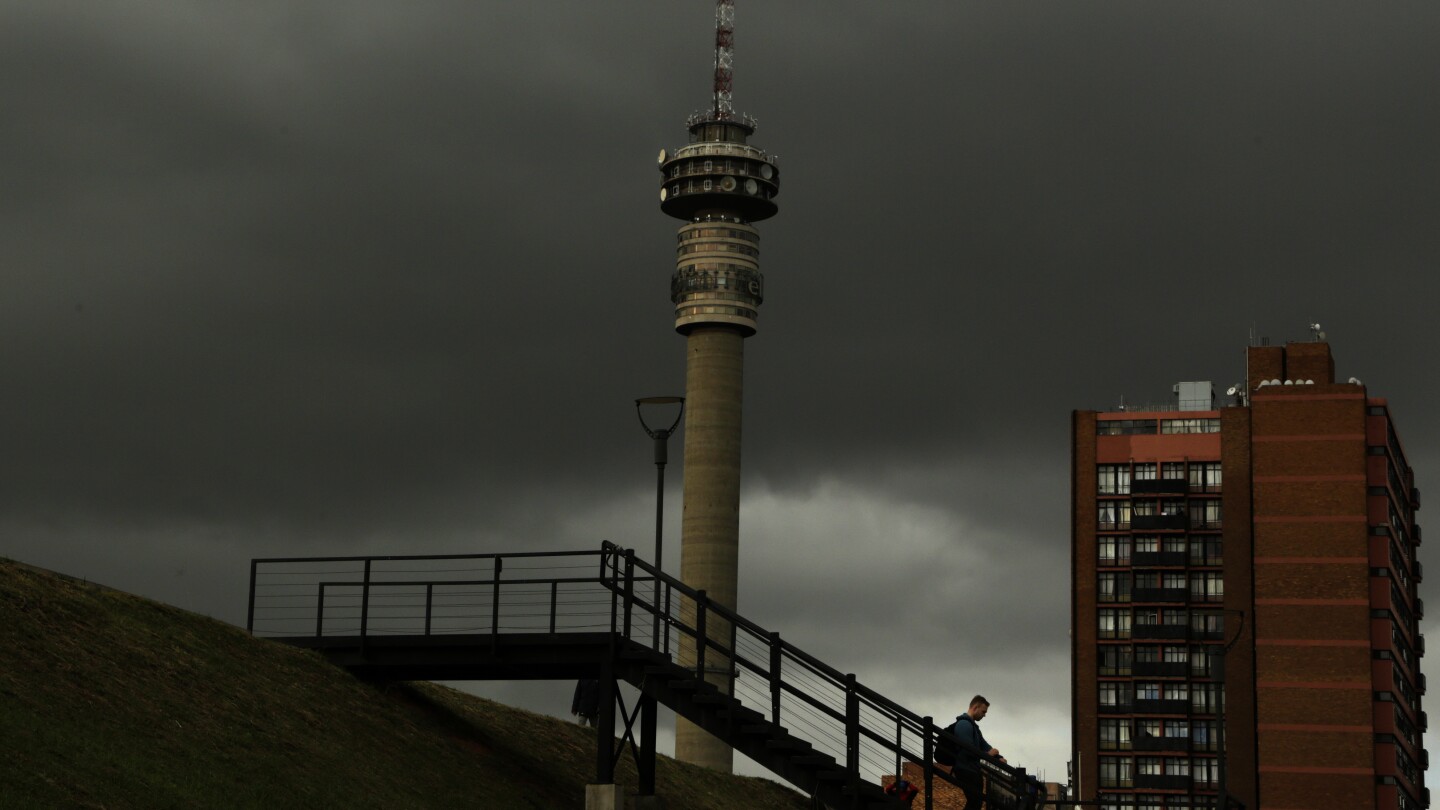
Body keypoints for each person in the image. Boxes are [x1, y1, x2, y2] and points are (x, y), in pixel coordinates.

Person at [952, 695, 1004, 810]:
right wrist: (988, 755)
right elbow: (968, 750)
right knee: (974, 802)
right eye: (983, 711)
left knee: (976, 802)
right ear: (975, 707)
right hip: (965, 769)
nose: (984, 715)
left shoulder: (973, 726)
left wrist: (998, 757)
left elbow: (984, 746)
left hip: (972, 769)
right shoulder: (964, 725)